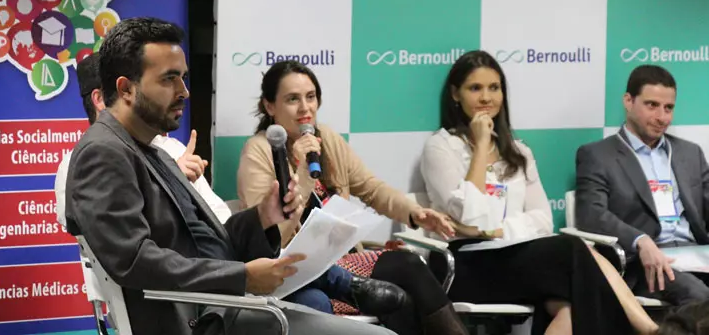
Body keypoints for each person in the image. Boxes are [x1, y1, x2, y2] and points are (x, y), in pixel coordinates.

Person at [64, 17, 399, 335]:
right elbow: (133, 260)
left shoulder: (150, 150)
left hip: (225, 306)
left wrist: (262, 217)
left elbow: (208, 243)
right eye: (169, 79)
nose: (184, 91)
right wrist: (243, 277)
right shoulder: (103, 153)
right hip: (203, 319)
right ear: (126, 89)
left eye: (183, 77)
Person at [419, 49, 660, 335]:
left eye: (494, 88)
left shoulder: (519, 151)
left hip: (517, 254)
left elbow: (543, 219)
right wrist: (481, 146)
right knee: (573, 251)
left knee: (569, 306)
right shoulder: (440, 147)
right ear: (455, 94)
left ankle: (651, 331)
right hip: (465, 264)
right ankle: (650, 330)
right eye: (475, 88)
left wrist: (496, 231)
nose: (486, 97)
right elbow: (468, 215)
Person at [237, 60, 468, 335]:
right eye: (292, 99)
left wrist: (415, 213)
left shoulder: (327, 139)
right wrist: (303, 172)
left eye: (311, 97)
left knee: (407, 272)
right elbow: (266, 234)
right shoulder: (259, 152)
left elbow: (370, 187)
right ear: (270, 106)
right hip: (293, 269)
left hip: (342, 259)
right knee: (394, 275)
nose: (305, 108)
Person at [576, 64, 709, 306]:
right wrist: (640, 240)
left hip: (696, 254)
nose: (662, 117)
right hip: (644, 262)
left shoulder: (690, 153)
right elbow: (590, 214)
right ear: (628, 101)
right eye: (652, 105)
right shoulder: (598, 155)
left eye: (668, 108)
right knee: (701, 297)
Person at [55, 52, 230, 229]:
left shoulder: (172, 149)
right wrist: (172, 182)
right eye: (126, 90)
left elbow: (219, 216)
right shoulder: (76, 164)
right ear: (100, 99)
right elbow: (105, 232)